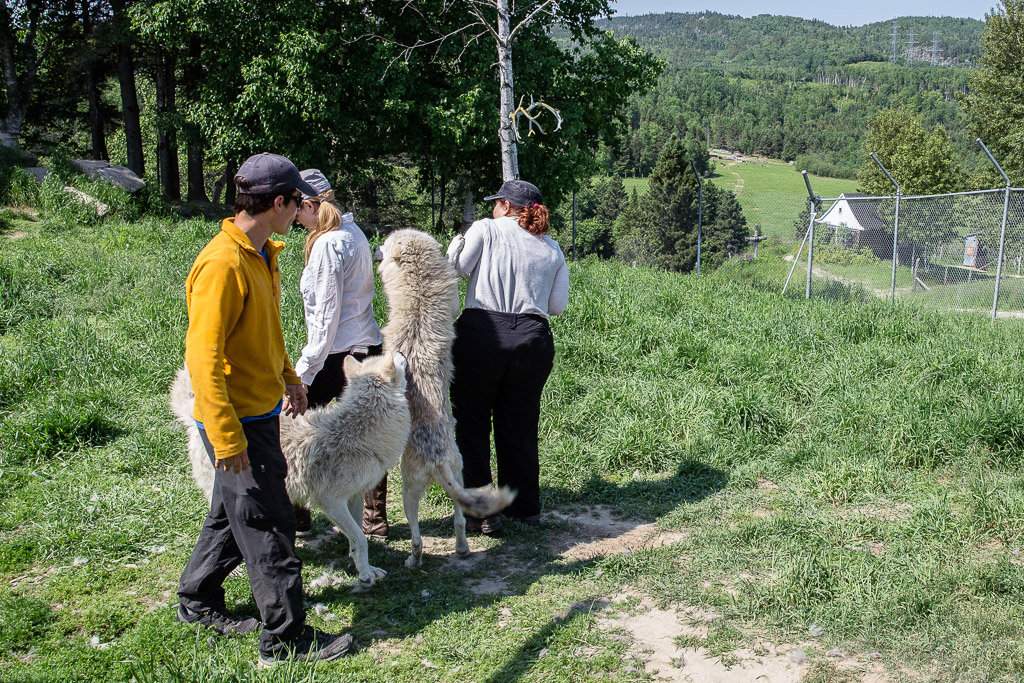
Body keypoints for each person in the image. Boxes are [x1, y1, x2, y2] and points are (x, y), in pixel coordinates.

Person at [176, 152, 353, 667]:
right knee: (269, 520)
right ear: (278, 203)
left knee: (231, 515)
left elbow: (265, 335)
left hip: (260, 411)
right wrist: (226, 437)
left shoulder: (261, 253)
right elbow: (203, 356)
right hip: (235, 420)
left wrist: (290, 378)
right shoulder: (222, 264)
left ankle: (197, 599)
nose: (304, 209)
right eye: (298, 200)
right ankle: (285, 638)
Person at [446, 179, 569, 535]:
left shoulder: (486, 229)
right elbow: (556, 307)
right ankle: (525, 507)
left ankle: (484, 512)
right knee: (520, 423)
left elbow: (454, 270)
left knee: (471, 424)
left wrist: (457, 243)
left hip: (482, 333)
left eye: (495, 203)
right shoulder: (551, 247)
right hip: (533, 339)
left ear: (504, 205)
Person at [290, 169, 389, 537]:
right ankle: (374, 519)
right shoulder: (353, 233)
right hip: (366, 344)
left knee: (293, 422)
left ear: (311, 205)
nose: (293, 215)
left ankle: (296, 511)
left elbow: (326, 315)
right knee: (368, 432)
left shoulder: (329, 245)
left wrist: (304, 370)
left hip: (336, 352)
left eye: (297, 206)